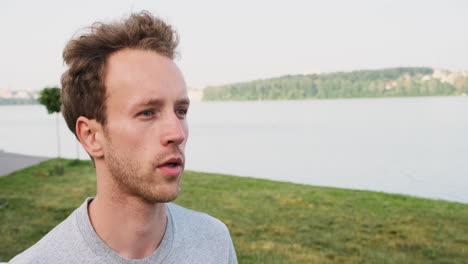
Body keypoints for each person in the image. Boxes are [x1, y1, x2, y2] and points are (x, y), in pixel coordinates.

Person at [9, 11, 237, 264]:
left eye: (180, 111)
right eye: (147, 113)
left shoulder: (213, 241)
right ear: (91, 136)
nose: (177, 133)